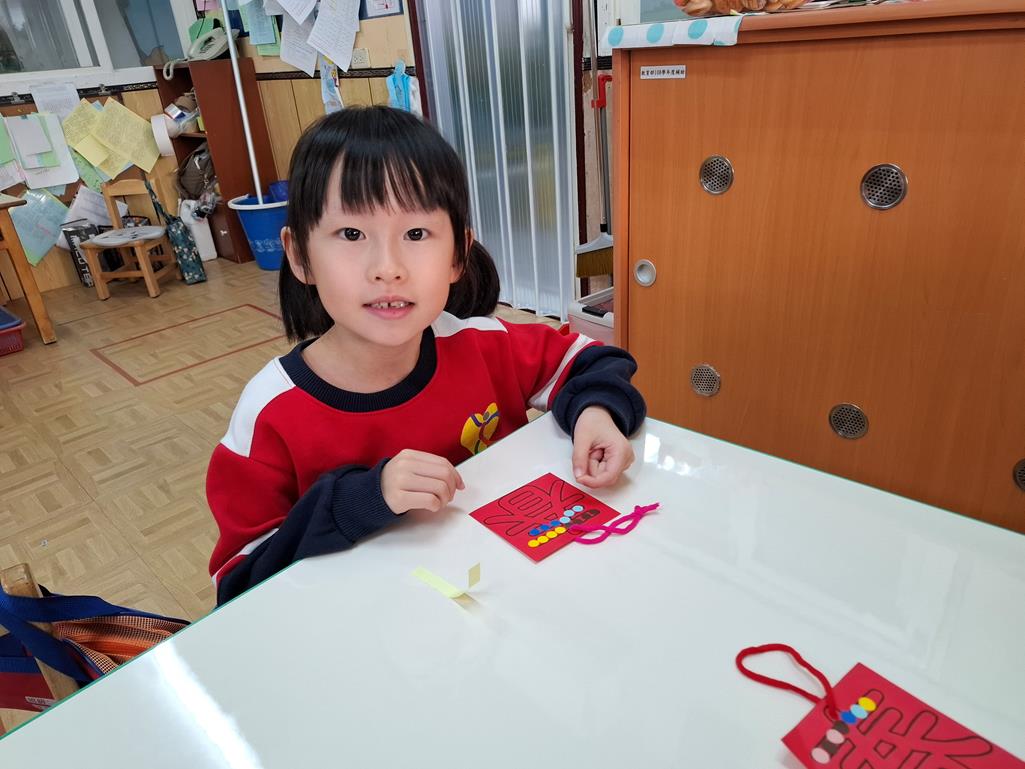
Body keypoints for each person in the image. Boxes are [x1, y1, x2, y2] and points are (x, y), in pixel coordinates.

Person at [207, 106, 646, 604]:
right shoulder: (270, 413)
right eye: (351, 234)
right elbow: (238, 583)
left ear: (458, 254)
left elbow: (588, 361)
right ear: (299, 254)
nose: (388, 268)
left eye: (416, 234)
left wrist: (596, 414)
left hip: (503, 600)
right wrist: (363, 499)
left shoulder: (483, 344)